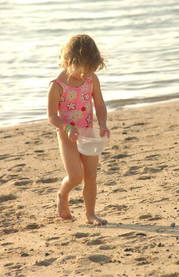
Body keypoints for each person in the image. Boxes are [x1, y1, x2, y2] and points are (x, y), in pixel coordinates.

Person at [48, 34, 110, 225]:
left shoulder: (92, 79)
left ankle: (90, 214)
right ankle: (62, 194)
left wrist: (102, 124)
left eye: (90, 71)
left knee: (91, 176)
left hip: (88, 133)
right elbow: (52, 116)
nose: (86, 76)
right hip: (67, 135)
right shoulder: (57, 86)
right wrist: (66, 128)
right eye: (82, 72)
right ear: (68, 62)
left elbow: (99, 105)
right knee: (76, 176)